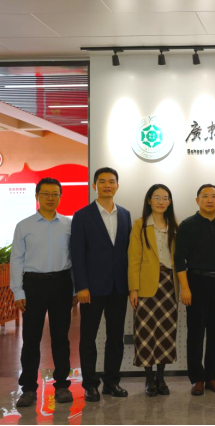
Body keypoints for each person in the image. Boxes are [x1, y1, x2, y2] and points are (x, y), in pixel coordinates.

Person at [11, 178, 76, 408]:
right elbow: (16, 259)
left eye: (55, 193)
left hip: (61, 283)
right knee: (31, 338)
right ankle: (28, 388)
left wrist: (74, 289)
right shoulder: (24, 225)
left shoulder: (68, 224)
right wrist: (18, 291)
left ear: (60, 196)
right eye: (46, 193)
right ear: (37, 196)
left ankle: (62, 385)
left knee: (61, 338)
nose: (50, 197)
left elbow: (74, 259)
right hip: (33, 285)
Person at [71, 167, 132, 402]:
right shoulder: (82, 215)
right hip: (92, 288)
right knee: (88, 338)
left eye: (112, 181)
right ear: (94, 186)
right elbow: (77, 253)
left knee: (115, 337)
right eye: (102, 181)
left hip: (119, 287)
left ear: (118, 185)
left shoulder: (125, 214)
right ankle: (90, 384)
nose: (108, 185)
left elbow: (127, 252)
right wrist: (81, 286)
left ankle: (111, 382)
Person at [175, 185, 215, 396]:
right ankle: (197, 379)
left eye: (214, 196)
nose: (210, 200)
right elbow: (179, 259)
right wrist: (185, 288)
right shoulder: (187, 225)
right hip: (196, 282)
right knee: (195, 333)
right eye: (205, 196)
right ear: (197, 200)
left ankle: (213, 377)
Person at [128, 184, 179, 397]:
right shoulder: (140, 225)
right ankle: (149, 379)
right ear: (149, 200)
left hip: (169, 284)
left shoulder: (174, 225)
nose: (161, 201)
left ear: (169, 202)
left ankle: (161, 377)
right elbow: (133, 258)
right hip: (146, 285)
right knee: (145, 332)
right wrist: (133, 289)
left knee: (166, 331)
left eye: (165, 198)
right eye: (157, 197)